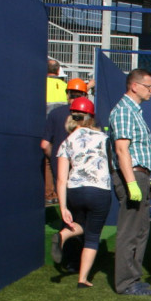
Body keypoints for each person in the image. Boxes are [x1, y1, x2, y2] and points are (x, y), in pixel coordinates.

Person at [52, 97, 112, 289]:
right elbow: (112, 165)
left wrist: (63, 207)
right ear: (91, 118)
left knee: (81, 225)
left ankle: (64, 234)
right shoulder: (104, 138)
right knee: (93, 235)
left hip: (75, 191)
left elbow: (61, 178)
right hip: (100, 190)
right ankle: (83, 279)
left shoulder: (66, 142)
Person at [109, 68, 151, 297]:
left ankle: (133, 278)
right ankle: (125, 282)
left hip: (140, 175)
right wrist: (131, 183)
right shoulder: (124, 111)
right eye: (148, 86)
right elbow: (121, 150)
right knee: (130, 231)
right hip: (132, 175)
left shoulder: (133, 111)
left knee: (140, 230)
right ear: (134, 86)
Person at [41, 77, 89, 206]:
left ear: (67, 94)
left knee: (65, 207)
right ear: (85, 95)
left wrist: (54, 158)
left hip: (60, 164)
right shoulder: (90, 115)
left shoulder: (54, 114)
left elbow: (45, 144)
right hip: (84, 166)